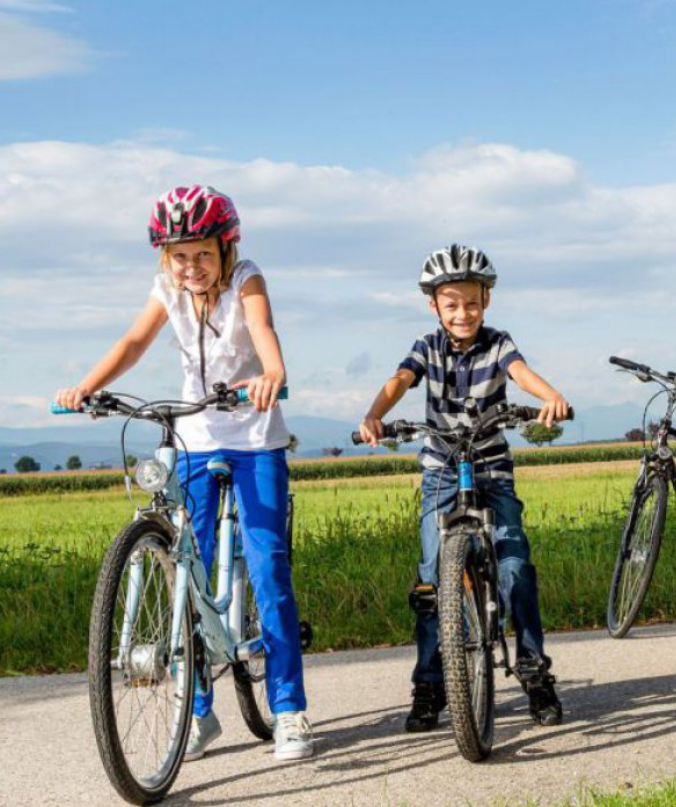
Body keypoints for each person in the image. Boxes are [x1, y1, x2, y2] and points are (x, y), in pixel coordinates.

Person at [54, 185, 313, 759]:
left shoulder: (247, 278)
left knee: (268, 566)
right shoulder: (166, 290)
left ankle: (290, 710)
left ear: (225, 247)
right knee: (185, 573)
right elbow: (133, 340)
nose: (191, 267)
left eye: (201, 253)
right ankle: (195, 712)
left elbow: (263, 330)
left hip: (253, 436)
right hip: (192, 436)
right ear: (164, 259)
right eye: (178, 255)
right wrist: (87, 387)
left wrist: (272, 372)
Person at [358, 243, 570, 730]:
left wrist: (550, 395)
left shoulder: (498, 343)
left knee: (515, 565)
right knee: (433, 577)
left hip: (491, 468)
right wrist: (375, 414)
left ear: (487, 301)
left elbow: (520, 372)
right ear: (434, 305)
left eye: (471, 302)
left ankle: (535, 672)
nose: (462, 313)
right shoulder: (425, 347)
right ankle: (431, 684)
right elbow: (399, 380)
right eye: (451, 304)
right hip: (441, 471)